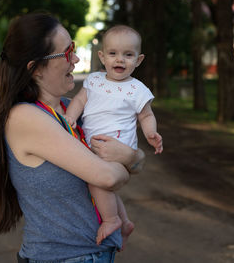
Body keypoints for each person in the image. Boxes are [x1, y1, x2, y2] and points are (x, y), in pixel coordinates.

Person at [0, 13, 146, 263]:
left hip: (96, 254)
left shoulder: (73, 110)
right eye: (68, 51)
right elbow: (109, 176)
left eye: (75, 48)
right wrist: (127, 164)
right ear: (36, 69)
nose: (77, 58)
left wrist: (132, 156)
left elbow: (137, 160)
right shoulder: (25, 117)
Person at [64, 25, 163, 248]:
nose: (120, 60)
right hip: (94, 146)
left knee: (97, 181)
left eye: (128, 55)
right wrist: (70, 117)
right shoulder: (94, 80)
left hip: (118, 148)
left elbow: (146, 115)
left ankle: (112, 219)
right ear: (102, 56)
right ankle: (126, 222)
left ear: (138, 60)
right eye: (113, 53)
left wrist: (150, 133)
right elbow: (79, 101)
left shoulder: (138, 90)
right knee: (103, 187)